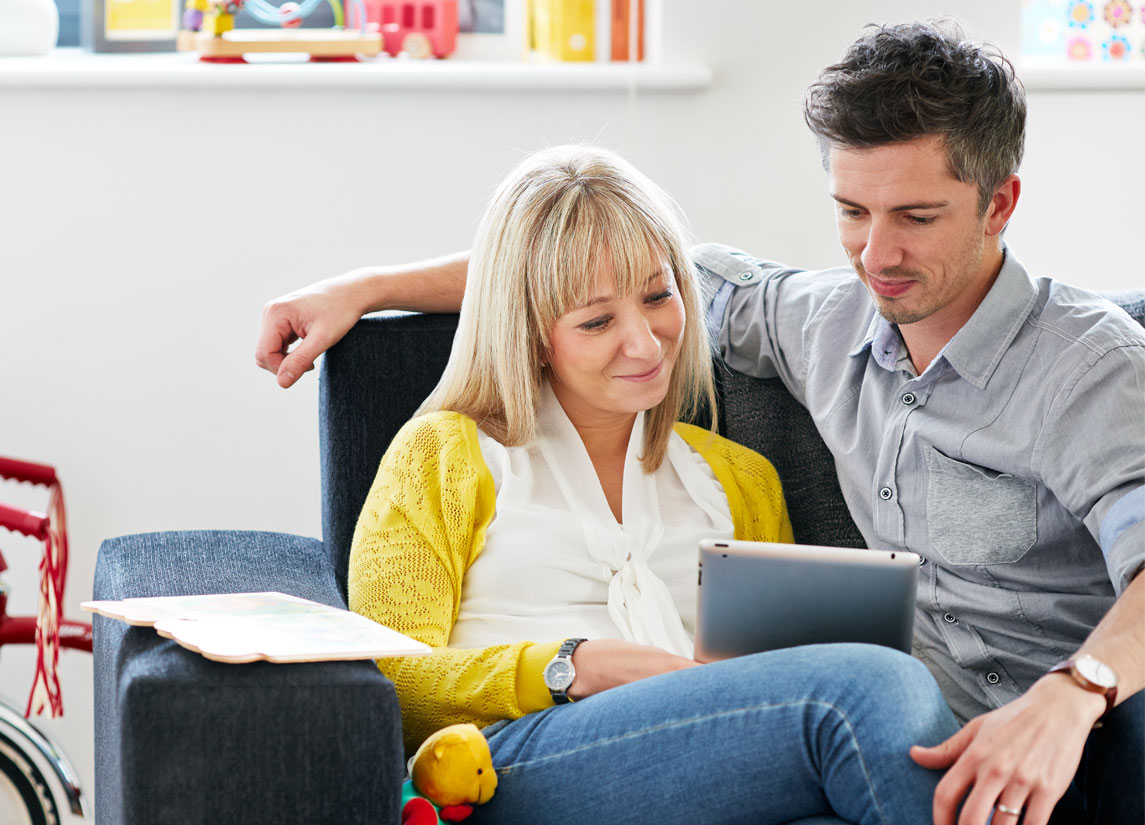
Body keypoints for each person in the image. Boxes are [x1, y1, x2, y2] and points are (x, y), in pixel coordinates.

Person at [260, 21, 1145, 825]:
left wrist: (1077, 691)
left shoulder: (1087, 366)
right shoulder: (823, 318)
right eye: (850, 212)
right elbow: (577, 264)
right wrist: (365, 288)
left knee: (873, 697)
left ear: (998, 204)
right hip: (557, 752)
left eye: (915, 218)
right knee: (876, 684)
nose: (876, 255)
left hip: (1031, 741)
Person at [347, 143, 958, 825]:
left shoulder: (738, 478)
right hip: (506, 765)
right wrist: (572, 666)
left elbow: (775, 686)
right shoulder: (443, 453)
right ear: (530, 332)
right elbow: (385, 681)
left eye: (657, 296)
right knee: (872, 685)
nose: (644, 342)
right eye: (596, 320)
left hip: (703, 764)